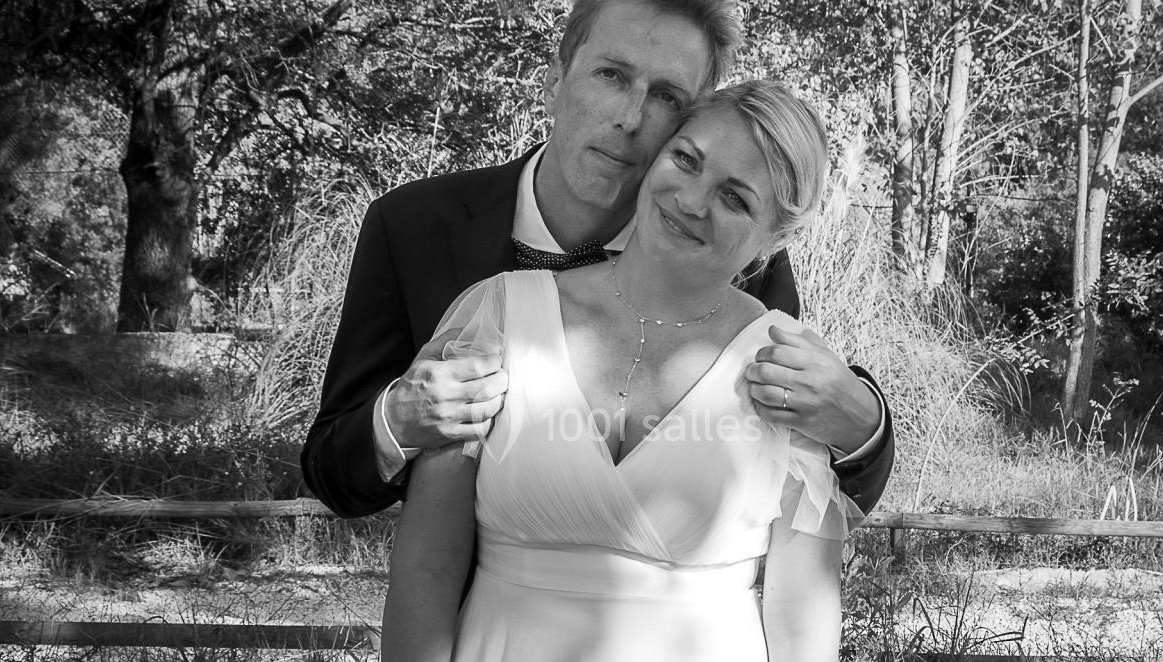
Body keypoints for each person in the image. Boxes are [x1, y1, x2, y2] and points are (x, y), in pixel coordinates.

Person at [384, 79, 858, 662]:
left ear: (774, 237)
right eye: (687, 159)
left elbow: (804, 630)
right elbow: (427, 570)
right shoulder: (499, 315)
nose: (692, 200)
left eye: (736, 197)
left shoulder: (788, 374)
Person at [300, 0, 894, 524]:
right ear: (556, 77)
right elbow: (331, 473)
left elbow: (809, 487)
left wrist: (861, 422)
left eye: (666, 97)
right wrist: (398, 421)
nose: (631, 118)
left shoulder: (736, 262)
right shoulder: (412, 227)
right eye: (612, 75)